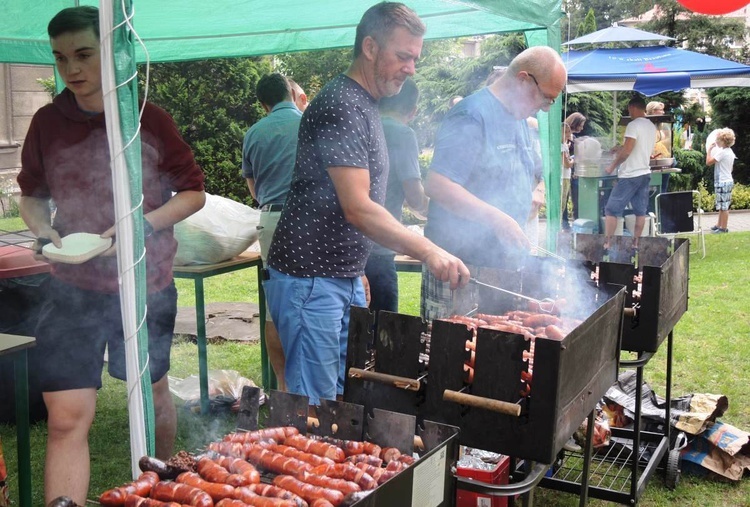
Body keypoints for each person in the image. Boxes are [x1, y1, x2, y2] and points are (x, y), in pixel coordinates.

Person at [16, 6, 206, 505]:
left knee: (152, 395)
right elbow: (31, 195)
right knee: (65, 416)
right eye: (61, 59)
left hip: (145, 284)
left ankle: (162, 488)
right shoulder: (46, 122)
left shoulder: (147, 117)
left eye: (83, 54)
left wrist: (140, 227)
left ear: (113, 52)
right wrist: (45, 231)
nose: (72, 70)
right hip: (72, 286)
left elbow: (193, 192)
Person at [263, 2, 469, 406]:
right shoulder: (342, 104)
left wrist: (355, 271)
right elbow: (357, 206)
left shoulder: (364, 103)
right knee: (315, 405)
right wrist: (428, 249)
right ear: (371, 47)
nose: (411, 67)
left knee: (344, 394)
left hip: (335, 276)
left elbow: (349, 209)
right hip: (310, 279)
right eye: (403, 55)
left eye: (415, 58)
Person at [421, 45, 567, 320]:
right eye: (546, 99)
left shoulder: (519, 119)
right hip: (460, 269)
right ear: (523, 79)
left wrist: (537, 189)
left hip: (501, 266)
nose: (545, 109)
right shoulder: (471, 115)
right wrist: (498, 219)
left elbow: (534, 171)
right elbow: (438, 184)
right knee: (451, 356)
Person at [241, 73, 302, 391]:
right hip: (310, 220)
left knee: (274, 307)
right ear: (291, 92)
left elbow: (254, 191)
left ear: (264, 104)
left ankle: (283, 386)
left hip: (271, 220)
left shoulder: (253, 133)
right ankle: (318, 391)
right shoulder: (310, 123)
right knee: (316, 300)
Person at [364, 78, 428, 313]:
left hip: (349, 248)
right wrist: (433, 208)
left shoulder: (365, 124)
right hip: (380, 246)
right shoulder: (402, 134)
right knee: (383, 332)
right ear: (413, 111)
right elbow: (414, 197)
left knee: (354, 332)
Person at [603, 96, 656, 250]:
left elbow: (627, 151)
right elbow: (633, 148)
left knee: (611, 209)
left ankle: (607, 243)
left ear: (632, 107)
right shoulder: (651, 126)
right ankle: (636, 243)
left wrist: (612, 166)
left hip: (630, 174)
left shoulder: (633, 125)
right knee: (640, 211)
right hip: (645, 173)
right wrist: (618, 148)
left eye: (629, 110)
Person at [706, 128, 737, 233]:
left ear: (723, 141)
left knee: (724, 207)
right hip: (727, 180)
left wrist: (709, 150)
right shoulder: (730, 152)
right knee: (722, 206)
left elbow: (708, 162)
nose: (716, 142)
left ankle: (723, 228)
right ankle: (719, 225)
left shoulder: (722, 153)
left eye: (718, 140)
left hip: (722, 182)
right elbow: (731, 168)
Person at [564, 111, 586, 228]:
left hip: (573, 173)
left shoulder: (574, 138)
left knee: (576, 199)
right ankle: (565, 225)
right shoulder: (563, 137)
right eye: (581, 125)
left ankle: (576, 222)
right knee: (564, 199)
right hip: (565, 172)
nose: (582, 128)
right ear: (575, 123)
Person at [560, 122, 574, 229]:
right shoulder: (562, 147)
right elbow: (567, 164)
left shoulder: (565, 145)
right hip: (563, 177)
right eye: (565, 132)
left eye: (569, 131)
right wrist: (574, 160)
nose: (568, 134)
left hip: (566, 177)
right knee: (562, 203)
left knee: (564, 202)